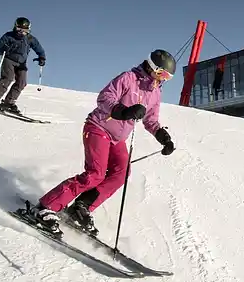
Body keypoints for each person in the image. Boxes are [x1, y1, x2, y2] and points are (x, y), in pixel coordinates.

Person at [32, 49, 177, 236]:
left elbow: (151, 120)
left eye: (167, 77)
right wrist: (124, 111)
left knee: (121, 173)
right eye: (161, 73)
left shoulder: (155, 92)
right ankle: (45, 206)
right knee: (96, 174)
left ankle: (81, 207)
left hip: (118, 139)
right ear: (151, 67)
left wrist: (163, 137)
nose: (163, 79)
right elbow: (105, 98)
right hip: (98, 128)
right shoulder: (128, 78)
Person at [0, 17, 46, 114]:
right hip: (9, 59)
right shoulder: (8, 36)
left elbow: (39, 49)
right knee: (7, 78)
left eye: (25, 31)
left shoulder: (30, 39)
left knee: (21, 83)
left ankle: (8, 103)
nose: (21, 33)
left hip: (21, 63)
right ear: (15, 27)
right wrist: (4, 48)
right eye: (19, 29)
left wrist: (42, 57)